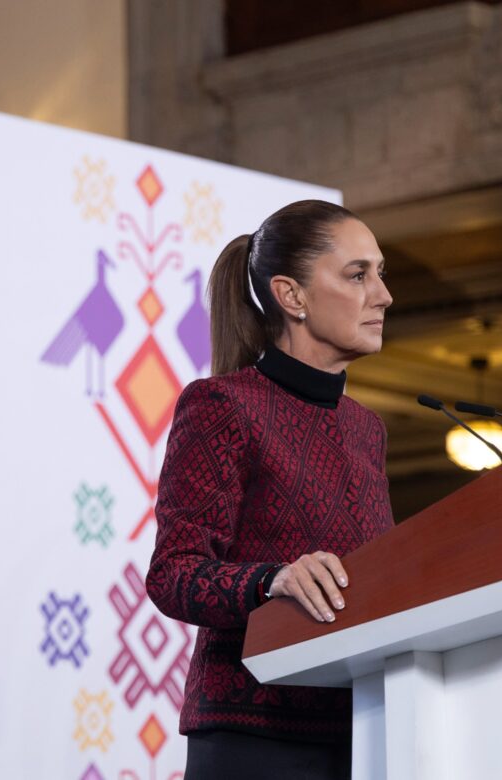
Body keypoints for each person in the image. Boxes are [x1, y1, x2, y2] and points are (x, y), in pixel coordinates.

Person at [145, 200, 395, 779]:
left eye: (381, 275)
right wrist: (272, 579)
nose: (383, 295)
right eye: (358, 275)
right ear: (292, 296)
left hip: (366, 730)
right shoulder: (221, 406)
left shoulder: (367, 429)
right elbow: (173, 573)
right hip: (252, 738)